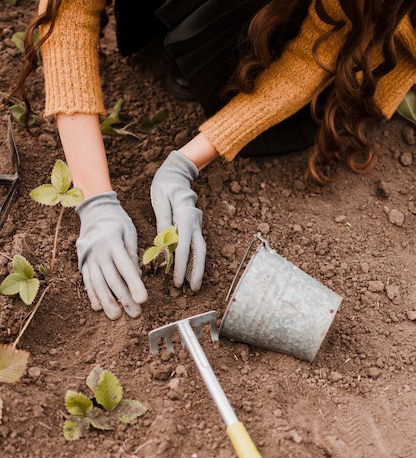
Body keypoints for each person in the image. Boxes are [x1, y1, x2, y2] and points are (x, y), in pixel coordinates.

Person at [15, 0, 416, 320]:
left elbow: (314, 56)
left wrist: (188, 161)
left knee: (360, 76)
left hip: (374, 24)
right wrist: (95, 199)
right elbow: (67, 17)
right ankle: (202, 47)